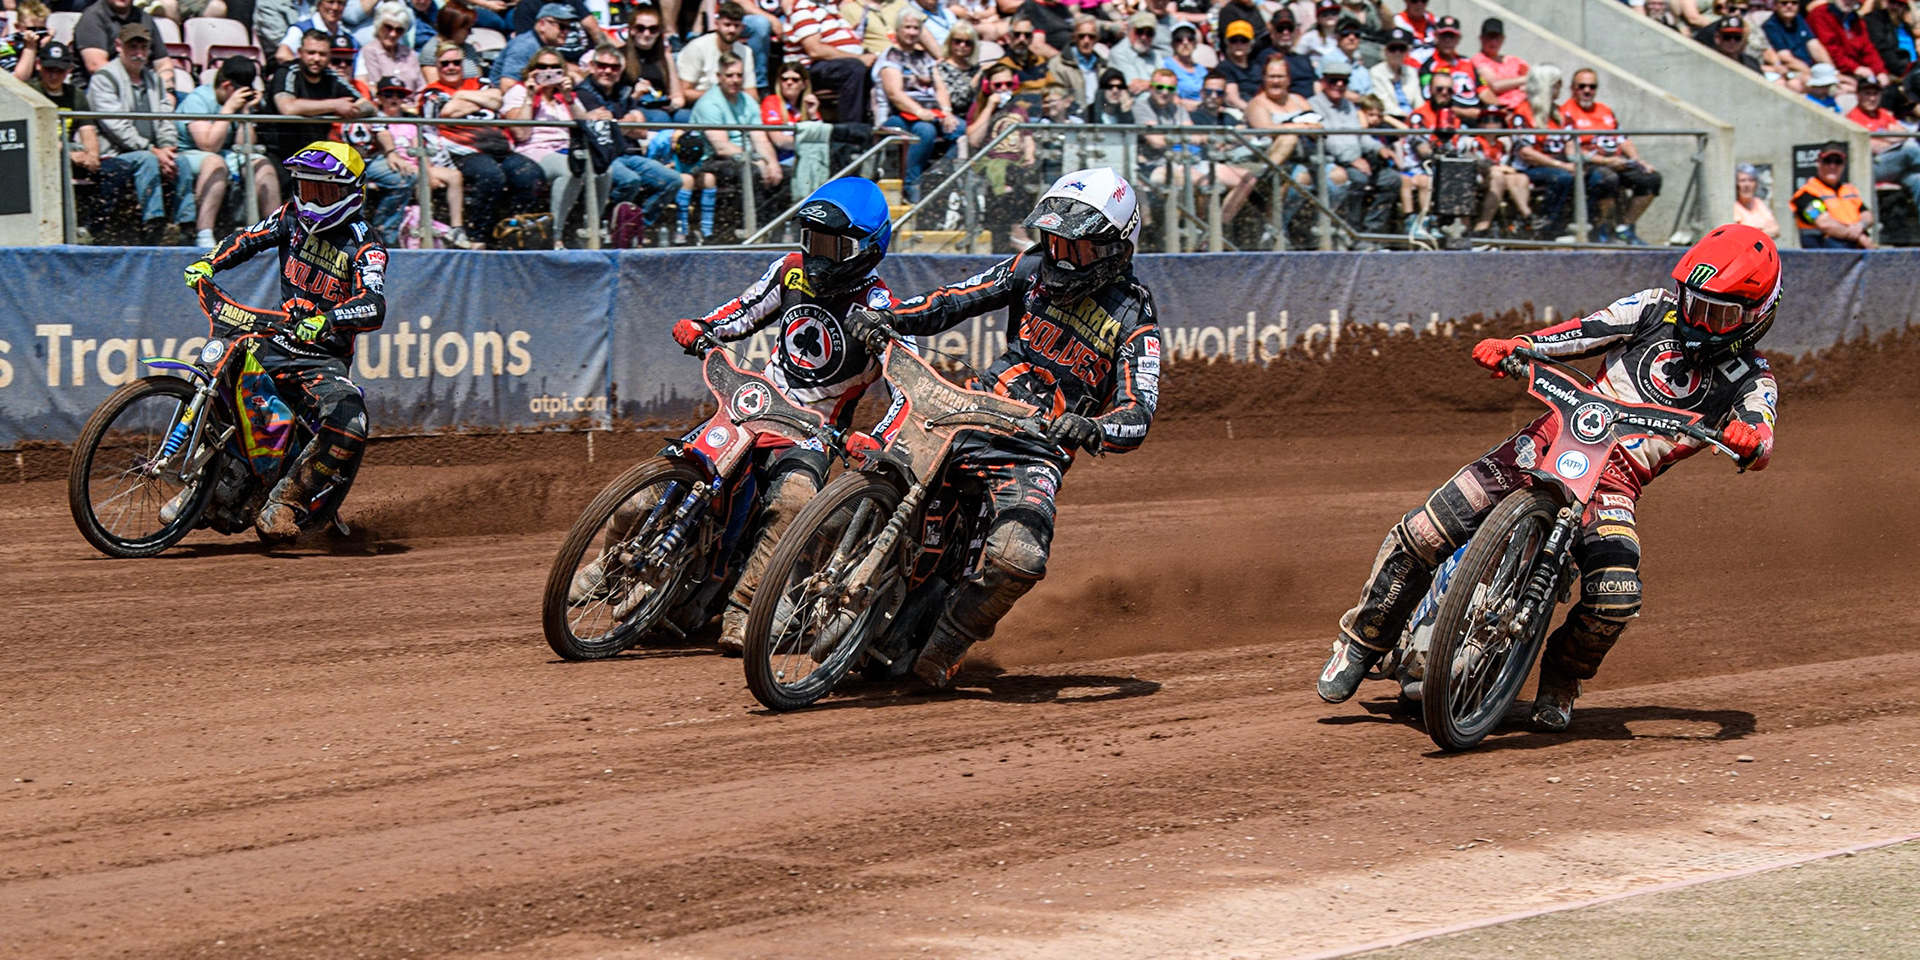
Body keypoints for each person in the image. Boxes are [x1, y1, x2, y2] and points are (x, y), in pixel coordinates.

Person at [1318, 224, 1782, 732]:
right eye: (1694, 301)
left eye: (1717, 313)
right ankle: (1361, 644)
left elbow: (1762, 431)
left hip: (1613, 487)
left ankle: (1562, 680)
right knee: (1430, 529)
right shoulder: (1653, 307)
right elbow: (1585, 331)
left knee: (1617, 595)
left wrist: (1749, 439)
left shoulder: (1753, 377)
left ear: (1754, 318)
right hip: (1549, 438)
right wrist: (1519, 345)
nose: (1697, 318)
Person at [850, 167, 1162, 688]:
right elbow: (953, 299)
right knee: (872, 458)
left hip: (1037, 446)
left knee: (1020, 556)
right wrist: (892, 319)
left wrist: (1092, 427)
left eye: (1077, 248)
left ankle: (947, 640)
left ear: (1115, 249)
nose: (1061, 257)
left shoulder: (1135, 316)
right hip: (976, 406)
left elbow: (1139, 412)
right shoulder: (1030, 268)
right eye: (1055, 241)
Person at [661, 178, 897, 654]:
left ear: (868, 250)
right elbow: (743, 312)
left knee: (792, 504)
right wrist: (703, 328)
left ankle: (746, 609)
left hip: (812, 431)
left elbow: (905, 386)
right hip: (755, 403)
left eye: (834, 246)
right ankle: (606, 567)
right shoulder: (791, 271)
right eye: (812, 241)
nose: (818, 256)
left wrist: (880, 437)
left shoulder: (880, 310)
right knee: (667, 473)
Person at [181, 142, 389, 541]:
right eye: (307, 188)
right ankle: (213, 467)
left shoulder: (366, 246)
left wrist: (327, 320)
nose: (312, 199)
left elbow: (373, 305)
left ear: (351, 193)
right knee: (221, 363)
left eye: (324, 192)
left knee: (352, 421)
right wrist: (210, 261)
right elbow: (248, 238)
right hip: (275, 337)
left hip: (320, 358)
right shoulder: (290, 215)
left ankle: (285, 502)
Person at [420, 41, 544, 245]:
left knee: (530, 174)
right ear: (438, 66)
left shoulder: (482, 82)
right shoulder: (431, 93)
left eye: (456, 62)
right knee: (490, 176)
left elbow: (497, 100)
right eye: (445, 63)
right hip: (463, 151)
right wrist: (479, 100)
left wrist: (459, 96)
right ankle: (479, 237)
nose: (451, 67)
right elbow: (447, 113)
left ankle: (514, 232)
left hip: (500, 148)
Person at [88, 23, 195, 246]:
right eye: (132, 47)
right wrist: (152, 150)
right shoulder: (104, 78)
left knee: (181, 161)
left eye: (143, 47)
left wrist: (166, 148)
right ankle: (153, 225)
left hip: (151, 150)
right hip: (115, 154)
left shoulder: (154, 80)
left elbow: (167, 119)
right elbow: (115, 126)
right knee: (147, 160)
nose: (138, 53)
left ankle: (186, 226)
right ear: (119, 46)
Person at [503, 46, 608, 247]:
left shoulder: (565, 95)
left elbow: (587, 129)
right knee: (570, 170)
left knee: (604, 170)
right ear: (532, 69)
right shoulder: (519, 91)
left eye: (555, 68)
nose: (548, 72)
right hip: (534, 149)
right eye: (542, 67)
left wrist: (570, 99)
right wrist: (530, 95)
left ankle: (590, 229)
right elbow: (521, 134)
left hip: (568, 148)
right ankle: (555, 235)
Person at [175, 56, 282, 249]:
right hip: (189, 153)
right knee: (214, 162)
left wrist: (245, 112)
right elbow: (208, 145)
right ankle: (204, 235)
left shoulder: (237, 105)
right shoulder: (198, 99)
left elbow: (245, 147)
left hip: (225, 154)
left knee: (262, 164)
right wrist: (229, 109)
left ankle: (275, 232)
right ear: (227, 86)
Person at [687, 53, 785, 239]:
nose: (735, 80)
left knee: (783, 174)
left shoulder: (748, 101)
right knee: (751, 172)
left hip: (744, 158)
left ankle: (776, 231)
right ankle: (755, 231)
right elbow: (721, 147)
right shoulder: (709, 103)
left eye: (739, 75)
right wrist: (757, 160)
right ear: (719, 77)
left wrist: (772, 164)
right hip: (710, 160)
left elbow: (760, 138)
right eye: (729, 75)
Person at [1562, 68, 1660, 245]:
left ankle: (1624, 228)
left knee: (1651, 178)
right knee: (1608, 178)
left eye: (1592, 87)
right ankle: (1602, 227)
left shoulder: (1604, 110)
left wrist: (1637, 160)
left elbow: (1623, 140)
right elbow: (1571, 149)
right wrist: (1606, 161)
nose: (1587, 91)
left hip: (1616, 160)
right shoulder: (1566, 112)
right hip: (1590, 163)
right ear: (1572, 88)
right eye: (1582, 86)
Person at [878, 9, 960, 201]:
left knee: (960, 128)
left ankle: (936, 174)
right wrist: (918, 110)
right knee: (926, 131)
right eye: (907, 27)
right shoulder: (891, 56)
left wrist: (947, 112)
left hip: (930, 112)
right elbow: (894, 93)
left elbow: (940, 87)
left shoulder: (925, 57)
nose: (912, 32)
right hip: (898, 115)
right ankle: (911, 183)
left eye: (916, 28)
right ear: (898, 30)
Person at [1311, 59, 1400, 237]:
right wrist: (1352, 160)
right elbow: (1327, 140)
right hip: (1332, 161)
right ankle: (1352, 231)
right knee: (1358, 179)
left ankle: (1372, 231)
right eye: (1333, 80)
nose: (1339, 85)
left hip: (1357, 161)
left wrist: (1379, 148)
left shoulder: (1348, 106)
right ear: (1323, 82)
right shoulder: (1313, 105)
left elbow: (1361, 136)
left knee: (1392, 179)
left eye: (1344, 81)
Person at [784, 0, 876, 122]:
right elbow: (815, 50)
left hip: (838, 62)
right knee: (854, 68)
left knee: (884, 68)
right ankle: (850, 131)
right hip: (810, 69)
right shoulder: (802, 9)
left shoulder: (829, 8)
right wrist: (859, 58)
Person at [1853, 77, 1920, 209]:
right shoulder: (1853, 117)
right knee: (1910, 149)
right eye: (1867, 94)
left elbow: (1904, 133)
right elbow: (1873, 147)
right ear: (1858, 95)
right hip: (1871, 167)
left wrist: (1885, 138)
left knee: (1918, 179)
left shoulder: (1882, 113)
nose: (1872, 98)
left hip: (1894, 164)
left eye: (1875, 94)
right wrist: (1891, 136)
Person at [1791, 141, 1872, 248]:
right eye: (1827, 161)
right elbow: (1824, 223)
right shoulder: (1805, 194)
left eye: (1838, 161)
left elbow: (1867, 215)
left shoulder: (1850, 190)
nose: (1832, 166)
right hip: (1825, 254)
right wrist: (1859, 236)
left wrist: (1861, 225)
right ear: (1818, 162)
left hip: (1855, 249)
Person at [679, 1, 760, 104]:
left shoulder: (745, 52)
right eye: (727, 25)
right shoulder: (697, 47)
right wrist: (720, 95)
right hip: (701, 104)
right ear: (716, 24)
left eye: (736, 26)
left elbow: (752, 93)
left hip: (733, 104)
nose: (732, 30)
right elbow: (685, 92)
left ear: (742, 28)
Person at [73, 0, 175, 76]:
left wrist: (168, 90)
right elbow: (96, 66)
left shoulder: (144, 18)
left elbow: (163, 63)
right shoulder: (92, 17)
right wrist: (136, 83)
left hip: (142, 88)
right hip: (100, 89)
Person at [623, 5, 689, 122]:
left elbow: (678, 98)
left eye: (653, 29)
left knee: (687, 116)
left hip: (660, 105)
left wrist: (673, 105)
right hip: (635, 106)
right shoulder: (622, 56)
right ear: (632, 30)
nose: (647, 34)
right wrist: (636, 95)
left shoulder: (663, 56)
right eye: (641, 28)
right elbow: (616, 100)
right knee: (661, 118)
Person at [1808, 0, 1889, 90]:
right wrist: (1856, 68)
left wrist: (1880, 71)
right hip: (1833, 72)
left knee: (1887, 88)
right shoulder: (1820, 14)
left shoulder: (1856, 20)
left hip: (1857, 72)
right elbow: (1831, 49)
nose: (1850, 1)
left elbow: (1868, 48)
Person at [492, 4, 578, 86]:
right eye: (562, 27)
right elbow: (508, 85)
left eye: (569, 28)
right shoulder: (525, 46)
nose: (566, 32)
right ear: (542, 24)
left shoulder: (547, 46)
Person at [353, 1, 424, 91]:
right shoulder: (368, 52)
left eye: (399, 30)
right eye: (388, 28)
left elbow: (421, 88)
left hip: (413, 104)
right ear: (378, 25)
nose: (393, 34)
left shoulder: (410, 54)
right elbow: (373, 89)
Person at [1761, 0, 1827, 91]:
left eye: (1794, 3)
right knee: (1800, 84)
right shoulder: (1771, 26)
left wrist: (1832, 70)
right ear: (1775, 5)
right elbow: (1786, 58)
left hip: (1810, 68)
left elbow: (1815, 46)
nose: (1789, 6)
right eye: (1784, 3)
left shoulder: (1799, 20)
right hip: (1791, 70)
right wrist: (1811, 72)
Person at [276, 0, 361, 65]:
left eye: (340, 3)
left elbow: (360, 75)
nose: (335, 7)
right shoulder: (301, 30)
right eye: (330, 2)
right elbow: (282, 54)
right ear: (319, 3)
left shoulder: (350, 40)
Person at [1469, 17, 1527, 112]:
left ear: (1503, 39)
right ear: (1481, 39)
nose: (1493, 42)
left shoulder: (1513, 60)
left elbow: (1534, 80)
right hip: (1502, 110)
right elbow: (1496, 86)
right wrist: (1524, 80)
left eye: (1497, 38)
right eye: (1489, 37)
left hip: (1525, 107)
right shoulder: (1479, 59)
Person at [1049, 16, 1106, 111]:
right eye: (1081, 36)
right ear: (1074, 37)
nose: (1086, 41)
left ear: (1097, 39)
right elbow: (1057, 96)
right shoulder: (1058, 65)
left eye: (1091, 37)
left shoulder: (1104, 66)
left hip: (1098, 116)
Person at [1370, 27, 1422, 118]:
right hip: (1391, 119)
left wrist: (1420, 116)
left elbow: (1418, 101)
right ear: (1385, 51)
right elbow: (1385, 105)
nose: (1397, 53)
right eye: (1393, 48)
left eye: (1402, 49)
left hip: (1413, 119)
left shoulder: (1411, 71)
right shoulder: (1376, 72)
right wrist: (1409, 117)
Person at [937, 19, 983, 115]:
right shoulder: (942, 68)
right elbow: (956, 102)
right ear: (950, 42)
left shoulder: (976, 68)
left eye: (968, 43)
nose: (962, 45)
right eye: (958, 41)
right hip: (955, 116)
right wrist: (974, 83)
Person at [1107, 11, 1161, 93]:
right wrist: (1157, 84)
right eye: (1139, 31)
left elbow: (1167, 82)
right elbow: (1134, 87)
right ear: (1129, 30)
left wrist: (1147, 84)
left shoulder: (1155, 54)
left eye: (1149, 33)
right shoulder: (1119, 53)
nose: (1144, 37)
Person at [1160, 23, 1205, 109]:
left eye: (1190, 39)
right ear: (1172, 44)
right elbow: (1173, 99)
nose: (1185, 42)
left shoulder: (1201, 70)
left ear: (1195, 44)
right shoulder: (1165, 66)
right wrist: (1201, 106)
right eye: (1179, 39)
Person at [1731, 163, 1778, 239]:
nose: (1747, 185)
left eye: (1751, 180)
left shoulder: (1758, 203)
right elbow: (1738, 235)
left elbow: (1776, 229)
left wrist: (1754, 232)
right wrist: (1762, 230)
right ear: (1736, 184)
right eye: (1742, 180)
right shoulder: (1733, 206)